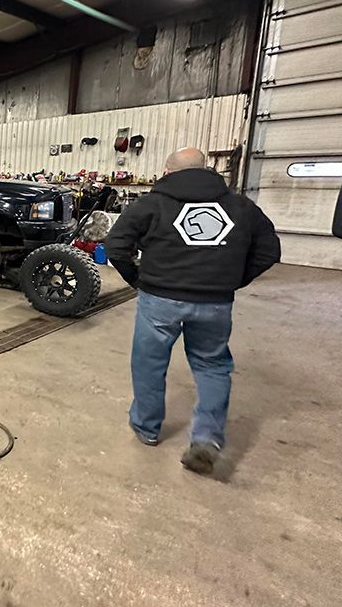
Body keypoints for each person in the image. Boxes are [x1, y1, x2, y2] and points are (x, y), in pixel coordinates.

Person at [105, 147, 280, 475]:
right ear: (207, 170)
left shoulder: (151, 204)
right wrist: (233, 280)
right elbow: (269, 249)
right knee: (212, 366)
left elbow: (115, 245)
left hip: (160, 300)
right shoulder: (241, 206)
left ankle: (146, 428)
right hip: (215, 303)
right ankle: (207, 439)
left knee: (149, 363)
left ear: (168, 172)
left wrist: (139, 279)